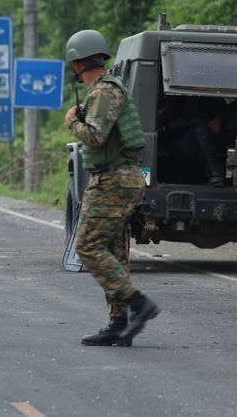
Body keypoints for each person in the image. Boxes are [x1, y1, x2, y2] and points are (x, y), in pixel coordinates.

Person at [64, 29, 160, 346]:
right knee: (116, 253)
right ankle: (118, 323)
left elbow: (95, 136)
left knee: (87, 246)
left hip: (114, 180)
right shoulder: (105, 91)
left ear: (78, 64)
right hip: (121, 177)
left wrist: (72, 122)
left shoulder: (105, 92)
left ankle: (138, 303)